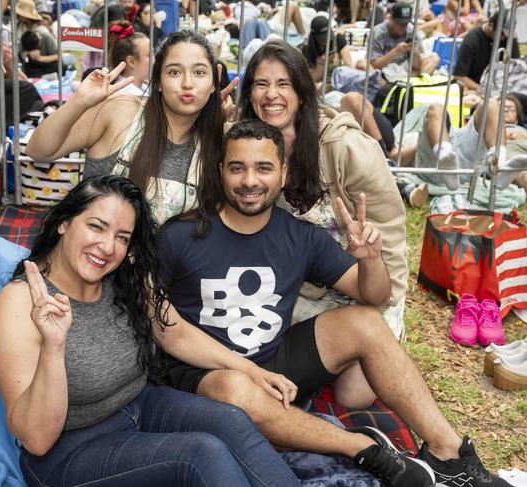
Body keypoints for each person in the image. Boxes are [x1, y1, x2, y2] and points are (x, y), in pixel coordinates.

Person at [159, 119, 512, 487]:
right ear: (221, 172)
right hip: (204, 376)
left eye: (263, 168)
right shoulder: (179, 236)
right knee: (233, 389)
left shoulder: (299, 236)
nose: (250, 180)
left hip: (274, 363)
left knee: (364, 322)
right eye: (237, 168)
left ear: (283, 173)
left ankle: (447, 452)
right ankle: (363, 448)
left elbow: (374, 296)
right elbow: (161, 328)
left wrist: (369, 258)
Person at [0, 174, 301, 487]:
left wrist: (252, 371)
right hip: (68, 452)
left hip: (140, 405)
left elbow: (175, 333)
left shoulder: (124, 275)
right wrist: (54, 346)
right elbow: (37, 440)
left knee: (230, 421)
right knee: (202, 455)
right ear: (64, 222)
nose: (108, 247)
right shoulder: (20, 303)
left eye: (122, 237)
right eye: (96, 226)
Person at [238, 41, 408, 397]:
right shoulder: (245, 147)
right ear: (249, 91)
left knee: (354, 394)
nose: (272, 95)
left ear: (302, 90)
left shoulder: (346, 148)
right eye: (261, 83)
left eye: (283, 83)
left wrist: (383, 298)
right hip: (301, 288)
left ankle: (379, 342)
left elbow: (390, 233)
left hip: (365, 282)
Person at [26, 30, 237, 224]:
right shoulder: (121, 112)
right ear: (157, 82)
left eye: (199, 73)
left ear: (212, 84)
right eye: (174, 72)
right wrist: (78, 102)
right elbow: (39, 150)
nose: (187, 83)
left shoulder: (218, 142)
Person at [369, 2, 440, 82]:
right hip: (384, 72)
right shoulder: (378, 32)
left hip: (407, 70)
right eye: (399, 23)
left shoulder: (411, 30)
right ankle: (389, 90)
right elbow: (374, 65)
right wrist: (395, 52)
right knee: (363, 65)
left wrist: (414, 52)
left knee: (434, 58)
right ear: (390, 19)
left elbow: (417, 66)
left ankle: (417, 86)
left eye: (406, 23)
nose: (403, 27)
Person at [453, 11, 520, 92]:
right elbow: (459, 76)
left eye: (508, 35)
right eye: (502, 34)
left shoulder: (508, 39)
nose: (504, 38)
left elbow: (518, 68)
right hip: (476, 88)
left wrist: (513, 39)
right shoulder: (471, 41)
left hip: (501, 86)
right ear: (491, 25)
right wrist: (484, 90)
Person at [301, 15, 354, 84]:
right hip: (319, 84)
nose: (325, 42)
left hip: (338, 81)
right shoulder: (307, 48)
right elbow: (313, 80)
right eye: (321, 39)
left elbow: (349, 65)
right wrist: (321, 64)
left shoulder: (338, 40)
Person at [108, 22, 151, 96]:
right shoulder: (125, 95)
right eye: (149, 55)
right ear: (131, 62)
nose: (155, 59)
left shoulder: (143, 88)